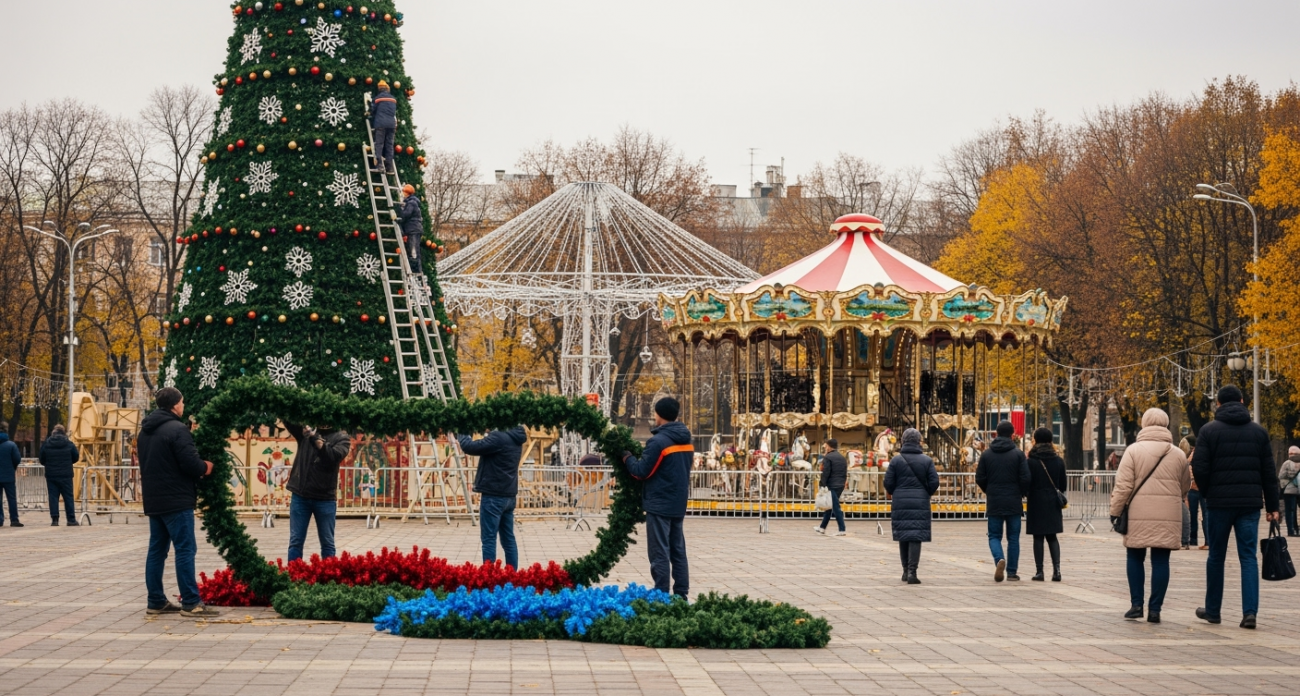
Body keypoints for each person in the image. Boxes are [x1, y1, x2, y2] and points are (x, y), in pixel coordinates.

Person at [1191, 385, 1281, 630]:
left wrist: (1208, 492)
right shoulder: (1259, 432)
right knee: (1248, 557)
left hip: (1218, 504)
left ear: (1218, 404)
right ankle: (1249, 613)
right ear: (1242, 401)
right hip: (1249, 504)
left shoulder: (1208, 431)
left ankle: (1213, 611)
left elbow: (1200, 467)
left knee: (1216, 556)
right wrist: (1272, 506)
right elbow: (1268, 472)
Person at [137, 388, 219, 617]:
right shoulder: (177, 429)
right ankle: (191, 602)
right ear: (175, 405)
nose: (183, 405)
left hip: (154, 499)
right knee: (185, 549)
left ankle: (155, 601)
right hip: (176, 499)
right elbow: (190, 463)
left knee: (157, 550)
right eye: (182, 402)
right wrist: (206, 467)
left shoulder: (145, 431)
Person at [1109, 408, 1188, 623]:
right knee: (1161, 561)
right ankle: (1155, 610)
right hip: (1168, 513)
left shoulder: (1133, 451)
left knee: (1135, 556)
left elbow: (1123, 486)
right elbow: (1184, 486)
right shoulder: (1178, 454)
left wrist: (1115, 511)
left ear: (1144, 424)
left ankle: (1136, 605)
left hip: (1138, 513)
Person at [622, 397, 693, 598]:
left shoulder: (658, 442)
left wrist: (627, 457)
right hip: (678, 503)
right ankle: (681, 594)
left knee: (659, 551)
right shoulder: (687, 441)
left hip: (659, 504)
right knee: (678, 550)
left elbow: (641, 472)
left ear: (658, 414)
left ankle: (661, 594)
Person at [458, 427, 527, 568]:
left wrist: (461, 429)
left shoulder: (498, 437)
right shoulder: (516, 437)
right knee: (508, 539)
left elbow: (469, 447)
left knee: (489, 539)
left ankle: (489, 576)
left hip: (493, 497)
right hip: (509, 496)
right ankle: (512, 575)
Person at [284, 422, 352, 563]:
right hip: (301, 495)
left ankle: (329, 574)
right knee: (296, 541)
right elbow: (288, 418)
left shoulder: (342, 438)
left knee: (327, 542)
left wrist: (315, 438)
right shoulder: (305, 431)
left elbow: (332, 456)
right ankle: (294, 574)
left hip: (325, 498)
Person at [976, 420, 1031, 582]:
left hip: (994, 500)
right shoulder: (1018, 454)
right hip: (1013, 500)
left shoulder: (987, 454)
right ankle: (1012, 572)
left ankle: (999, 558)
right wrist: (1020, 492)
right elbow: (1026, 477)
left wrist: (989, 490)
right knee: (1013, 537)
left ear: (996, 434)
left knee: (994, 535)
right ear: (1012, 435)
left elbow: (980, 477)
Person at [884, 428, 939, 584]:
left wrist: (895, 491)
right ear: (918, 442)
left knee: (904, 535)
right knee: (915, 536)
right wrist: (926, 492)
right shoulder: (926, 460)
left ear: (903, 441)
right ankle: (912, 572)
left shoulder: (896, 460)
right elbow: (934, 482)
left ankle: (905, 571)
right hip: (920, 501)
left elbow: (888, 482)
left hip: (900, 501)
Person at [1025, 427, 1067, 582]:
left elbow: (1026, 482)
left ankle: (1039, 571)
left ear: (1035, 440)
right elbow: (1063, 485)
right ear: (1050, 441)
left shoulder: (1031, 461)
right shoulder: (1058, 461)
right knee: (1052, 537)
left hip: (1036, 501)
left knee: (1038, 537)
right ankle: (1057, 571)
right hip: (1053, 502)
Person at [39, 424, 80, 526]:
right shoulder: (69, 444)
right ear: (63, 432)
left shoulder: (47, 444)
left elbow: (42, 459)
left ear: (53, 432)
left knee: (53, 497)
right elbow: (76, 457)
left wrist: (49, 464)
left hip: (51, 475)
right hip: (66, 474)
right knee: (68, 497)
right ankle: (71, 519)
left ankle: (55, 519)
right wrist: (68, 462)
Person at [813, 438, 847, 536]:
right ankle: (822, 528)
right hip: (840, 484)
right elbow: (845, 472)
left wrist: (822, 484)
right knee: (829, 506)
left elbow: (826, 472)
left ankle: (842, 529)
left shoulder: (828, 457)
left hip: (832, 485)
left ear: (829, 447)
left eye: (826, 445)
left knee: (836, 507)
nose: (825, 447)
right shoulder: (842, 457)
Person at [1182, 435, 1207, 549]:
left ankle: (1193, 539)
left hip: (1194, 487)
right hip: (1202, 487)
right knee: (1204, 514)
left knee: (1194, 514)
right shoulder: (1204, 451)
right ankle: (1206, 540)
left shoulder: (1192, 455)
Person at [369, 80, 397, 174]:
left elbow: (373, 110)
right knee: (389, 144)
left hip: (380, 123)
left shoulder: (377, 98)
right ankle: (389, 166)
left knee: (379, 144)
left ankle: (379, 165)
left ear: (379, 89)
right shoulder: (393, 99)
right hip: (391, 125)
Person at [396, 184, 424, 274]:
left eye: (403, 192)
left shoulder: (412, 203)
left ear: (407, 193)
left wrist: (398, 209)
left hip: (413, 229)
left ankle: (416, 271)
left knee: (413, 251)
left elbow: (406, 214)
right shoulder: (410, 202)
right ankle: (415, 269)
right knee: (413, 250)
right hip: (412, 229)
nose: (402, 193)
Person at [0, 421, 21, 528]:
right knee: (11, 498)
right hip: (8, 475)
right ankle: (14, 519)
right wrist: (12, 467)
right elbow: (17, 459)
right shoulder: (11, 445)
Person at [1279, 446, 1300, 537]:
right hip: (1298, 490)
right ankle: (1296, 529)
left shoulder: (1287, 463)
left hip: (1289, 490)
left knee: (1290, 510)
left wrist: (1284, 485)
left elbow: (1281, 475)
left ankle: (1291, 530)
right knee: (1294, 510)